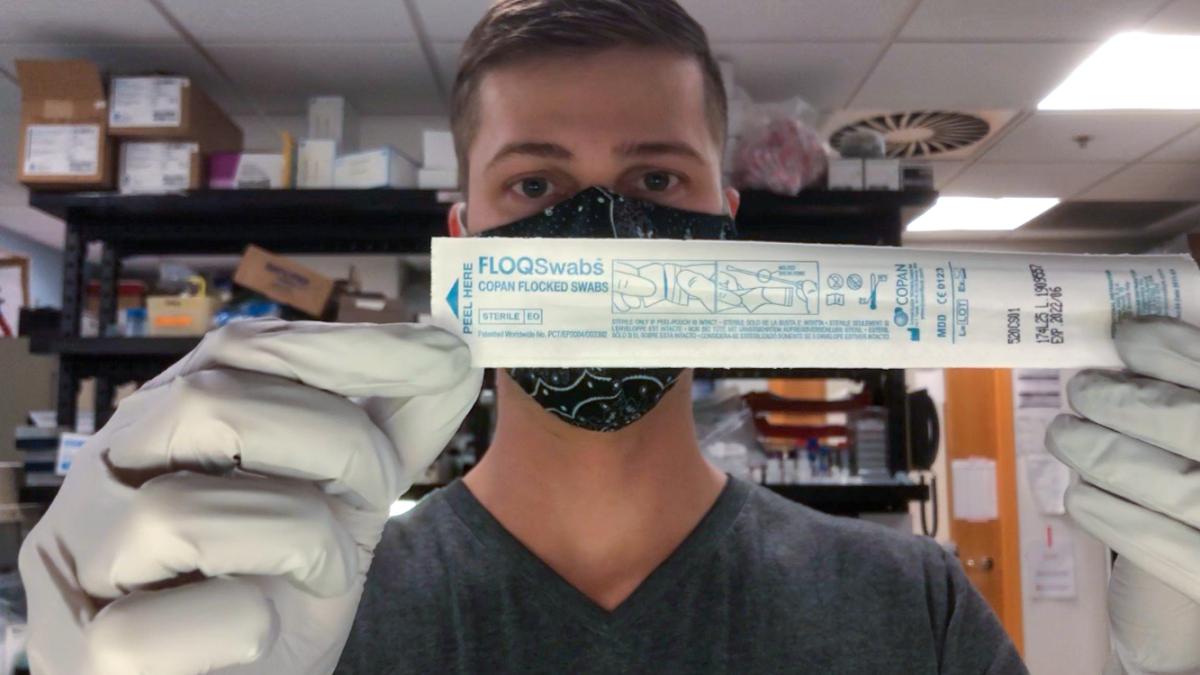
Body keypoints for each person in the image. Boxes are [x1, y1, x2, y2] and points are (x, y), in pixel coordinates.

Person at [17, 1, 1200, 674]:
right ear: (465, 231)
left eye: (655, 173)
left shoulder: (910, 605)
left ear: (724, 224)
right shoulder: (307, 605)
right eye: (536, 185)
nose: (605, 224)